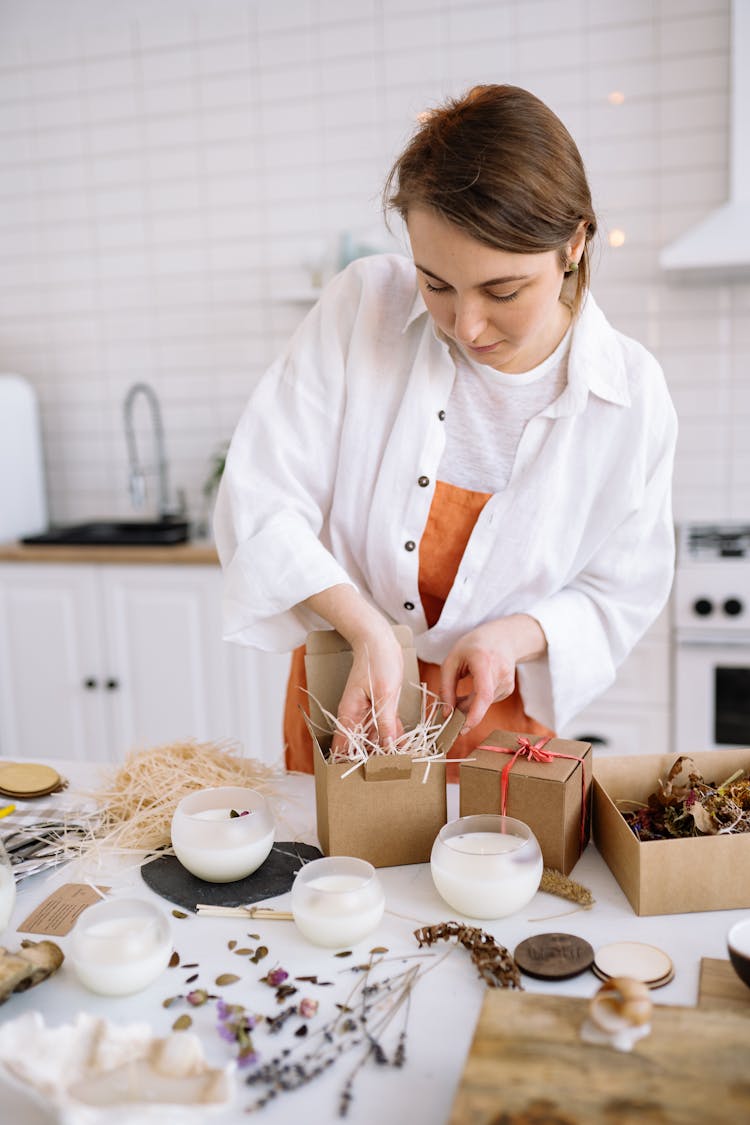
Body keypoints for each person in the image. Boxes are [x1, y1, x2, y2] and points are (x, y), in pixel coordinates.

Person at [214, 84, 677, 778]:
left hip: (498, 710)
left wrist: (508, 637)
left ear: (575, 244)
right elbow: (259, 500)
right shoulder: (362, 307)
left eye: (503, 291)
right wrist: (370, 628)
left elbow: (620, 589)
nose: (466, 327)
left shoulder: (632, 398)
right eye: (436, 284)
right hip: (351, 686)